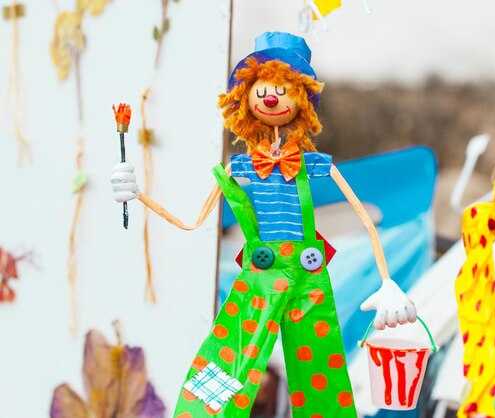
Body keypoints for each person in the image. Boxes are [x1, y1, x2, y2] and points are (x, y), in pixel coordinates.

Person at [111, 31, 417, 418]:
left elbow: (365, 219)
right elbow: (193, 222)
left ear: (301, 100)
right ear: (246, 99)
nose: (271, 98)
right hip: (259, 275)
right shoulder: (240, 166)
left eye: (282, 90)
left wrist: (388, 282)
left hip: (307, 276)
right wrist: (138, 194)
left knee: (321, 377)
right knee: (228, 361)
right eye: (263, 90)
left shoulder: (312, 163)